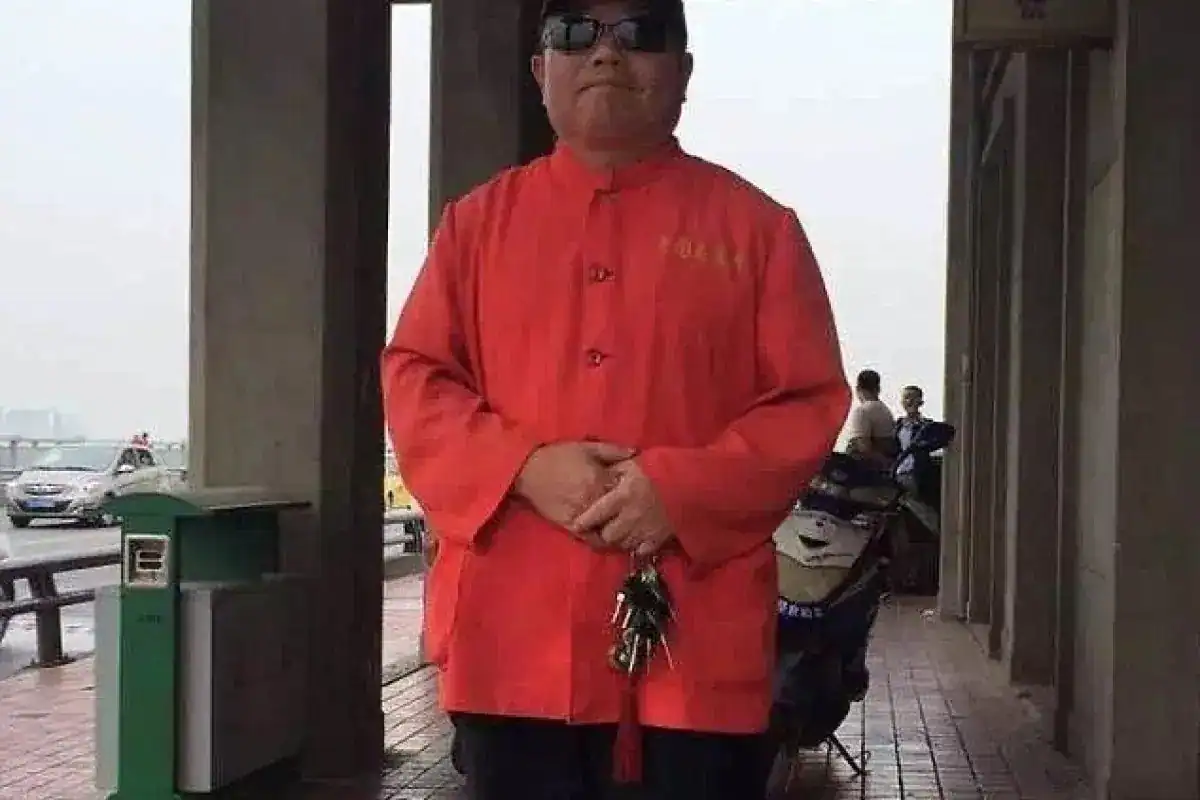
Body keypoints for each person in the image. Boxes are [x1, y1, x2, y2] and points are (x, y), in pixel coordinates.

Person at [381, 1, 849, 797]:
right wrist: (523, 466)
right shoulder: (474, 226)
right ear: (541, 72)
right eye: (575, 33)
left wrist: (681, 490)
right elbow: (415, 375)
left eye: (640, 33)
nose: (605, 53)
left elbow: (806, 400)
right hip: (512, 635)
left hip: (696, 633)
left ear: (683, 72)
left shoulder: (759, 231)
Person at [843, 369, 896, 467]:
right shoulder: (885, 410)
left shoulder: (862, 411)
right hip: (885, 466)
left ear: (857, 389)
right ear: (878, 389)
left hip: (867, 469)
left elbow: (863, 446)